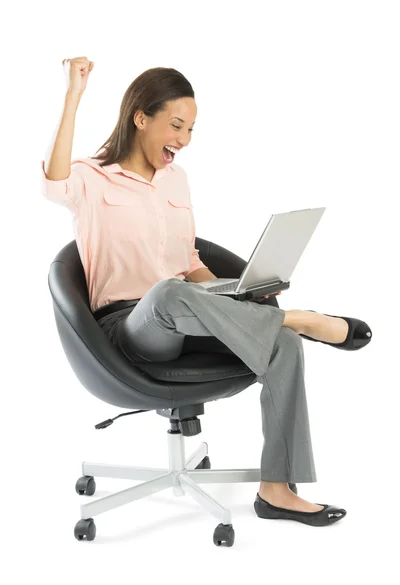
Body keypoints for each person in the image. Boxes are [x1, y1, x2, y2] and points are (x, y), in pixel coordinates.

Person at [41, 57, 372, 528]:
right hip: (129, 326)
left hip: (194, 309)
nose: (183, 140)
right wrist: (73, 95)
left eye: (191, 129)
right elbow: (53, 184)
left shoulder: (176, 179)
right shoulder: (92, 176)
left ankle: (276, 490)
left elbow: (190, 260)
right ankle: (301, 317)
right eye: (176, 125)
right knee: (165, 294)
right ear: (141, 118)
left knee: (282, 345)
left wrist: (240, 292)